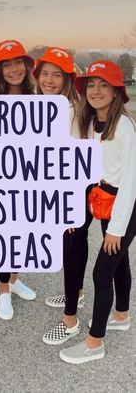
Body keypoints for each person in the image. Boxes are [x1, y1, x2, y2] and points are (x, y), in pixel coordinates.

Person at [59, 60, 136, 364]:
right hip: (103, 199)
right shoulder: (91, 123)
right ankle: (122, 314)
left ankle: (95, 343)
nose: (96, 90)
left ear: (117, 91)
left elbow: (131, 181)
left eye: (104, 84)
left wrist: (117, 228)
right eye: (91, 84)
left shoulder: (125, 126)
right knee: (119, 263)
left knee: (101, 271)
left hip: (125, 205)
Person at [34, 47, 90, 346]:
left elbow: (76, 160)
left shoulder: (71, 109)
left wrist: (70, 202)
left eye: (57, 74)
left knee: (70, 247)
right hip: (54, 189)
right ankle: (77, 295)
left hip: (73, 191)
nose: (50, 80)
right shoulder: (39, 105)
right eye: (45, 73)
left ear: (68, 78)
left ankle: (70, 321)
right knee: (74, 244)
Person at [0, 39, 36, 320]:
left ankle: (15, 278)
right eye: (7, 65)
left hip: (31, 178)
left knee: (23, 233)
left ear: (26, 66)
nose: (14, 69)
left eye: (18, 62)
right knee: (2, 235)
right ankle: (2, 289)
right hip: (0, 179)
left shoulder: (39, 99)